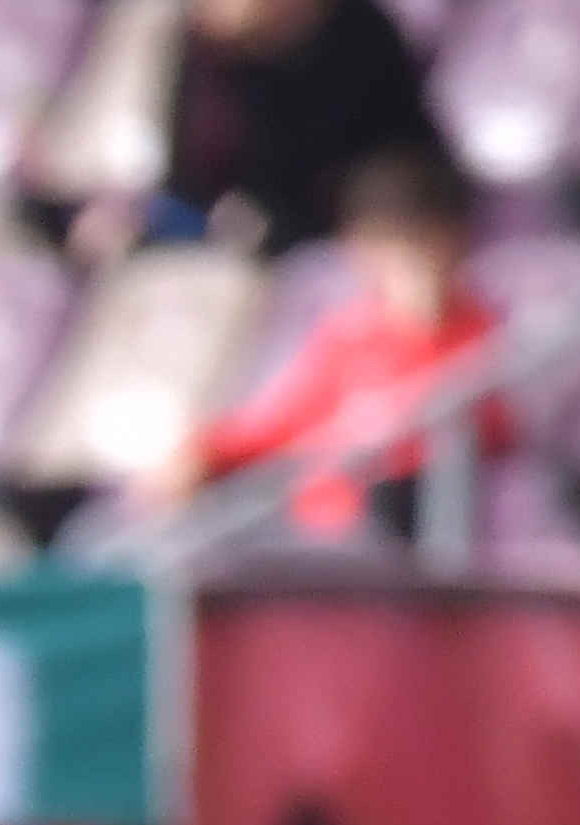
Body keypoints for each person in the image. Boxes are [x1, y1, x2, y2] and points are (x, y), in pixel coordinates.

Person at [153, 143, 506, 535]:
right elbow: (272, 428)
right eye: (392, 247)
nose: (409, 266)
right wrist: (203, 453)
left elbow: (489, 437)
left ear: (457, 244)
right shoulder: (348, 337)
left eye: (423, 244)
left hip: (394, 536)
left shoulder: (487, 338)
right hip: (309, 537)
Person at [158, 0, 446, 258]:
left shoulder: (361, 33)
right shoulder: (207, 64)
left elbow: (404, 151)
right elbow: (189, 182)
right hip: (234, 238)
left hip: (362, 221)